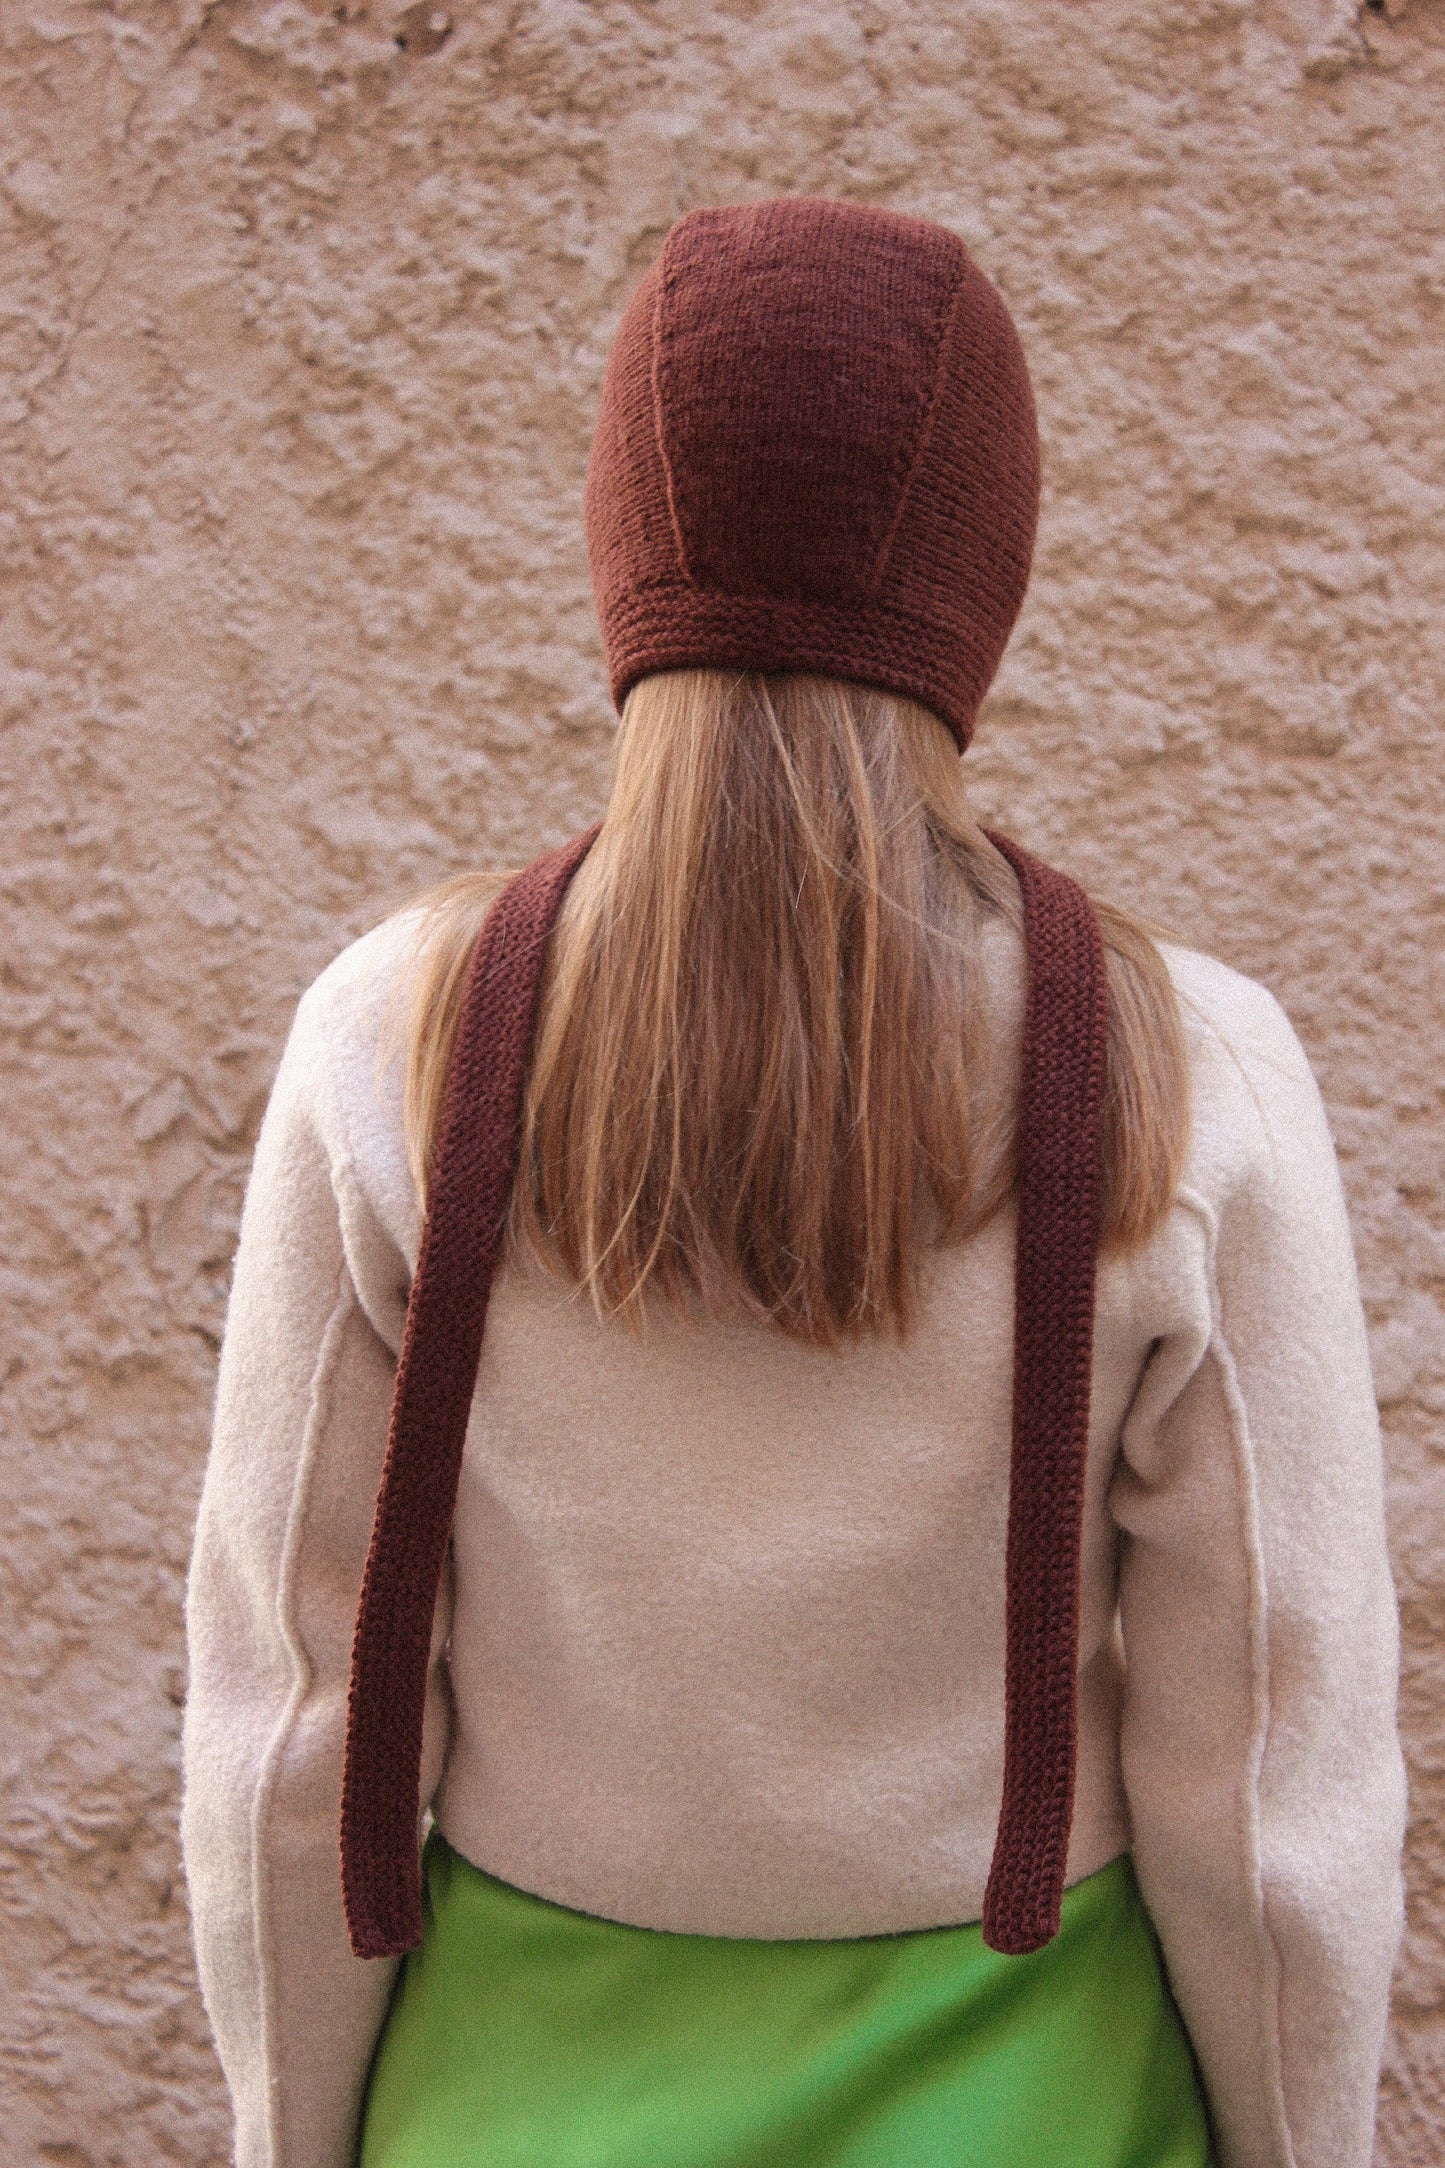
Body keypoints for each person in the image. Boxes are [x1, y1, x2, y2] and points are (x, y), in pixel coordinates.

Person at [181, 197, 1405, 2168]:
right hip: (1038, 2108)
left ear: (618, 549)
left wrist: (292, 2140)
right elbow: (1271, 1785)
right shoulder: (1188, 1076)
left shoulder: (391, 1043)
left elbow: (297, 1738)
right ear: (980, 578)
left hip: (519, 2104)